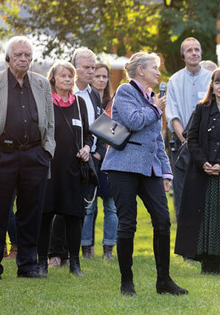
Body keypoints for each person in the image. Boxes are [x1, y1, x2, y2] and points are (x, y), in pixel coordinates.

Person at [100, 52, 187, 296]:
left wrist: (166, 171)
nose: (158, 73)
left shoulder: (151, 97)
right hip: (122, 167)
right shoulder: (126, 92)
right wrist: (155, 108)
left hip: (149, 170)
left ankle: (164, 281)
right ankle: (126, 282)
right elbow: (134, 121)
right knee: (127, 223)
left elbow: (156, 138)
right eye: (154, 68)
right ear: (140, 70)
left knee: (162, 219)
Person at [0, 35, 55, 280]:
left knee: (31, 212)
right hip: (1, 155)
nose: (24, 59)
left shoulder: (42, 84)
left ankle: (28, 265)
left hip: (34, 155)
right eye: (19, 55)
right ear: (8, 58)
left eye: (28, 55)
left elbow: (50, 122)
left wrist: (46, 152)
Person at [174, 67, 220, 275]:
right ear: (212, 86)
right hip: (201, 172)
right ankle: (204, 259)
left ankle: (216, 261)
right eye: (217, 83)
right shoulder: (201, 109)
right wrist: (203, 162)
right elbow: (192, 139)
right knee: (203, 215)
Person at [36, 61, 91, 278]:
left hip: (73, 169)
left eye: (71, 76)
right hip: (49, 168)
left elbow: (88, 133)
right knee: (45, 215)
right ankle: (42, 262)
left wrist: (87, 148)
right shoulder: (46, 102)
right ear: (53, 79)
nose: (68, 80)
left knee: (73, 217)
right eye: (63, 76)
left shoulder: (79, 103)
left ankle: (74, 263)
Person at [165, 37, 212, 219]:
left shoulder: (211, 79)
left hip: (208, 145)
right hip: (182, 144)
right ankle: (185, 241)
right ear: (183, 56)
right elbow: (172, 115)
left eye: (197, 49)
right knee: (183, 194)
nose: (194, 53)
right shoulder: (175, 80)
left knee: (206, 194)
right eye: (189, 50)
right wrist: (187, 142)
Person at [68, 48, 107, 261]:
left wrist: (99, 153)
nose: (91, 72)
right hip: (67, 158)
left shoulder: (93, 94)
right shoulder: (66, 91)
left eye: (93, 67)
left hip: (90, 158)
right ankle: (58, 253)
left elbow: (99, 126)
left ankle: (76, 252)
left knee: (84, 206)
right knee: (63, 206)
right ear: (75, 68)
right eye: (87, 67)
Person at [83, 62, 116, 260]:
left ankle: (108, 250)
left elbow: (115, 131)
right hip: (91, 160)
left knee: (111, 206)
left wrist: (101, 152)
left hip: (111, 160)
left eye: (105, 77)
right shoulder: (86, 100)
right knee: (89, 206)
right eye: (98, 76)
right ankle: (86, 248)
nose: (102, 80)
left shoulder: (114, 102)